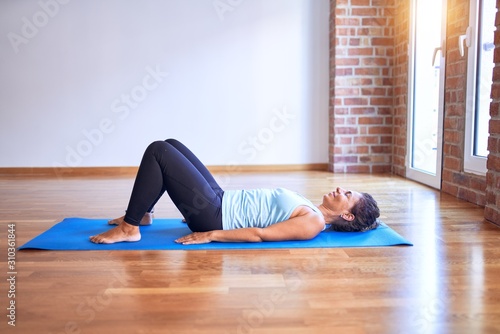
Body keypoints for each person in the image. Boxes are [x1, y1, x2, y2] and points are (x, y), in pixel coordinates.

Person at [89, 139, 380, 245]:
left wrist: (211, 234)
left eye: (348, 194)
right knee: (171, 144)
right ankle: (143, 214)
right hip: (221, 200)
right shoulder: (311, 207)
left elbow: (260, 234)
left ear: (346, 214)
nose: (341, 188)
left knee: (159, 151)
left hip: (214, 216)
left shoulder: (314, 222)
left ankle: (130, 228)